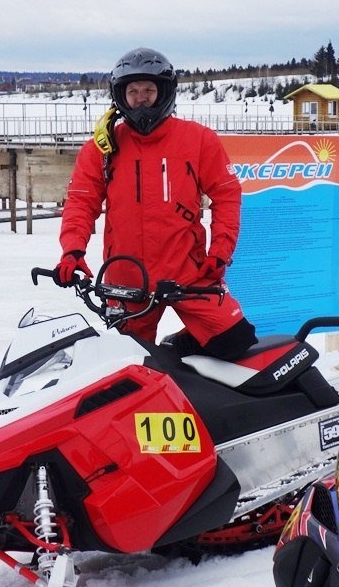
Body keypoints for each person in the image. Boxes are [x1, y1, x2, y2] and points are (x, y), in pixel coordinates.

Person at [54, 46, 256, 360]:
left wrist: (221, 251)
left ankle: (177, 356)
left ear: (164, 92)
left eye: (149, 90)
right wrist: (72, 250)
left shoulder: (199, 140)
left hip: (189, 272)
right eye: (133, 91)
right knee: (133, 363)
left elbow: (226, 195)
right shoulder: (102, 147)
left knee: (235, 340)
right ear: (121, 95)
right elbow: (81, 201)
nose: (141, 98)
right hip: (127, 278)